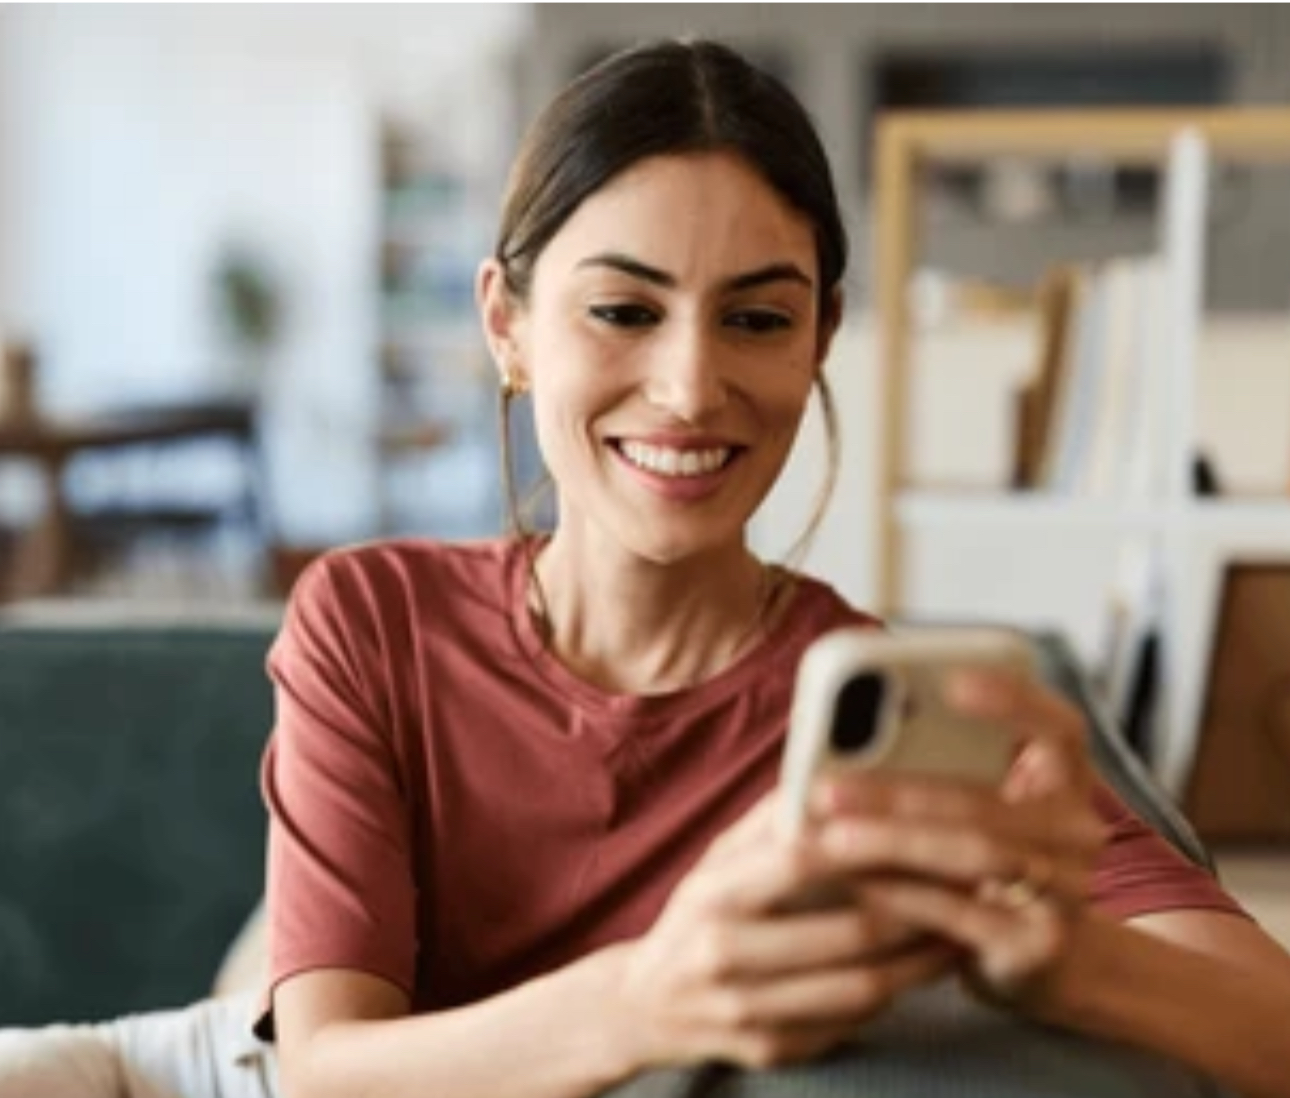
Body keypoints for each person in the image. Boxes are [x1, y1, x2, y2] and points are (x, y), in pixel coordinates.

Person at [2, 35, 1289, 1098]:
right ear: (507, 323)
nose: (690, 387)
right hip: (207, 1069)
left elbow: (1267, 1022)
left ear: (821, 335)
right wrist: (655, 992)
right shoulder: (372, 612)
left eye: (758, 318)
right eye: (623, 310)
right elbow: (327, 1070)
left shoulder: (876, 715)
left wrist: (1055, 959)